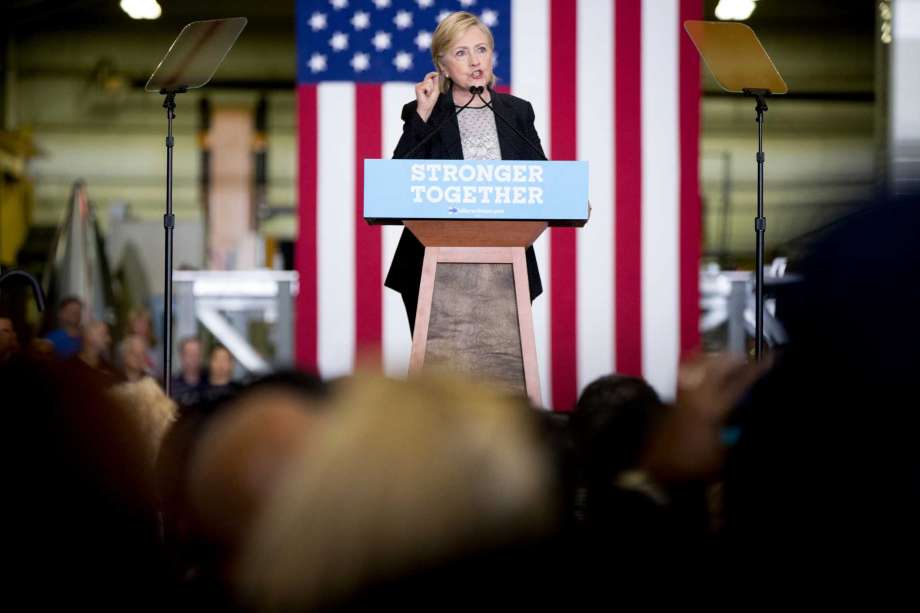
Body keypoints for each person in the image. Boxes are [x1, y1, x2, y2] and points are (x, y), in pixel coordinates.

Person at [384, 11, 544, 335]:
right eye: (461, 53)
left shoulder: (518, 112)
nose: (475, 61)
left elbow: (543, 181)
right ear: (442, 66)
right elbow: (394, 186)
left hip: (506, 267)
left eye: (481, 49)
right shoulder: (426, 113)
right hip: (431, 266)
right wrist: (423, 115)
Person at [171, 336, 207, 407]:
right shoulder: (171, 385)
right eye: (190, 354)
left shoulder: (210, 381)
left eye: (197, 354)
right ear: (182, 356)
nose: (194, 358)